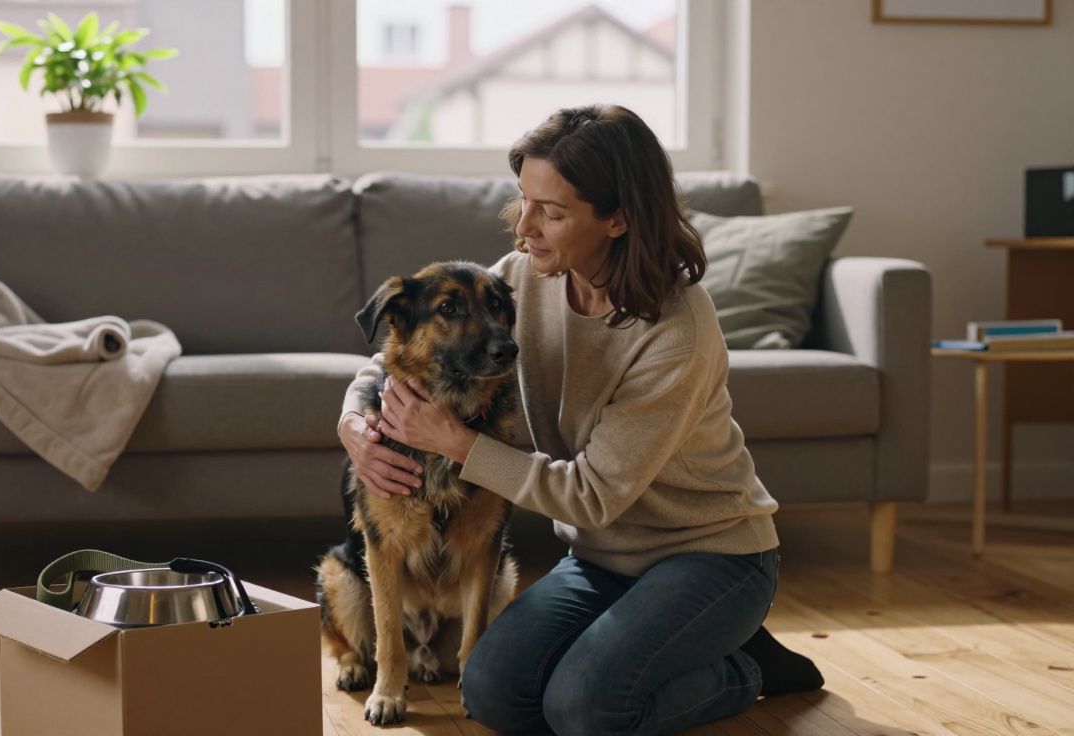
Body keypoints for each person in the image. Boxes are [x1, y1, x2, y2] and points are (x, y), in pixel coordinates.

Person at [337, 104, 823, 736]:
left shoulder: (676, 329)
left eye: (552, 212)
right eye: (524, 200)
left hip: (709, 556)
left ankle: (745, 669)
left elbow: (593, 496)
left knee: (586, 708)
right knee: (491, 691)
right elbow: (397, 356)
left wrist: (456, 444)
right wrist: (353, 420)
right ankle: (667, 646)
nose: (525, 229)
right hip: (601, 560)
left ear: (617, 218)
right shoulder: (522, 278)